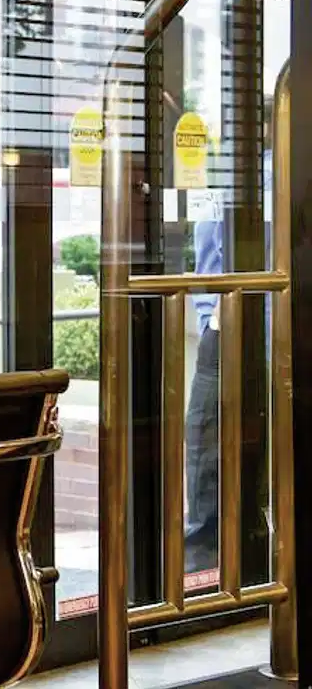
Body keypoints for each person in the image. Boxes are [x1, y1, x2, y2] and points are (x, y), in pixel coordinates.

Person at [185, 216, 221, 574]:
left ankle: (202, 550)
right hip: (221, 324)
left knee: (202, 429)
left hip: (233, 323)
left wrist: (212, 321)